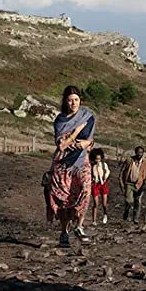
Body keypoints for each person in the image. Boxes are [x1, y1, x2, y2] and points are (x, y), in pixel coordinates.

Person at [49, 85, 95, 247]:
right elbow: (62, 145)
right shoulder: (60, 121)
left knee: (86, 191)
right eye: (70, 100)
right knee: (64, 198)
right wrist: (76, 132)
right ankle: (64, 232)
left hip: (82, 161)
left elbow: (89, 140)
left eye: (76, 100)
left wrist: (87, 143)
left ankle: (79, 226)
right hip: (63, 163)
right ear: (65, 102)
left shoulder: (87, 116)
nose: (73, 103)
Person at [119, 146, 146, 224]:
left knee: (138, 201)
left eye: (141, 152)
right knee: (129, 200)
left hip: (140, 184)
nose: (139, 154)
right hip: (129, 183)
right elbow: (122, 172)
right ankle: (127, 210)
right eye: (138, 152)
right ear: (135, 152)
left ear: (143, 153)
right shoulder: (129, 160)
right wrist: (121, 182)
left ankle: (136, 219)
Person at [89, 148, 111, 225]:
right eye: (96, 159)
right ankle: (94, 220)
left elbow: (108, 171)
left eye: (99, 159)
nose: (97, 160)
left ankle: (105, 214)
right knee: (96, 203)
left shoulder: (104, 165)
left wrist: (105, 177)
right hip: (95, 184)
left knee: (104, 202)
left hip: (103, 184)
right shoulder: (92, 166)